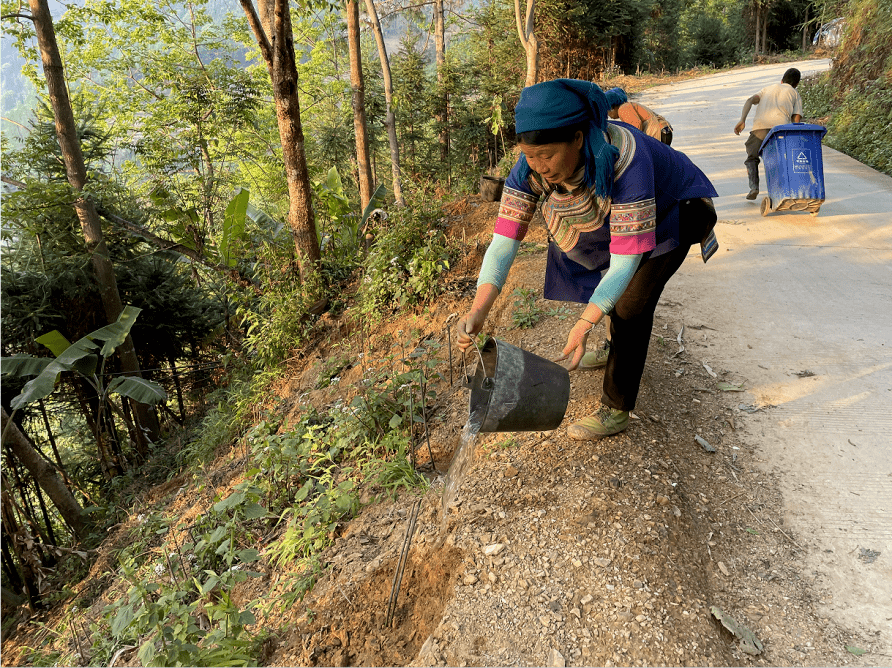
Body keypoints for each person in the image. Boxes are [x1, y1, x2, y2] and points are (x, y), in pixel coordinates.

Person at [456, 79, 719, 440]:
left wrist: (583, 324)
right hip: (635, 212)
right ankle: (613, 345)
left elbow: (625, 262)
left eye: (547, 155)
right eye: (530, 156)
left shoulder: (628, 161)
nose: (539, 166)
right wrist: (479, 310)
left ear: (578, 138)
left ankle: (616, 408)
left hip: (674, 212)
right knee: (603, 271)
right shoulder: (528, 169)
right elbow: (503, 245)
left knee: (630, 304)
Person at [734, 68, 803, 200]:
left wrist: (742, 120)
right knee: (781, 160)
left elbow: (750, 100)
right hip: (780, 131)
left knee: (752, 158)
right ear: (796, 84)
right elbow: (796, 119)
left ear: (782, 80)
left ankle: (754, 187)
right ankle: (781, 190)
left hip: (759, 129)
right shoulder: (794, 93)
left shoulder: (767, 89)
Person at [605, 87, 673, 146]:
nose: (609, 116)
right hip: (664, 130)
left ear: (612, 108)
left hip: (658, 132)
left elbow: (635, 126)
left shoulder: (623, 109)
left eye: (608, 112)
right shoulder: (628, 105)